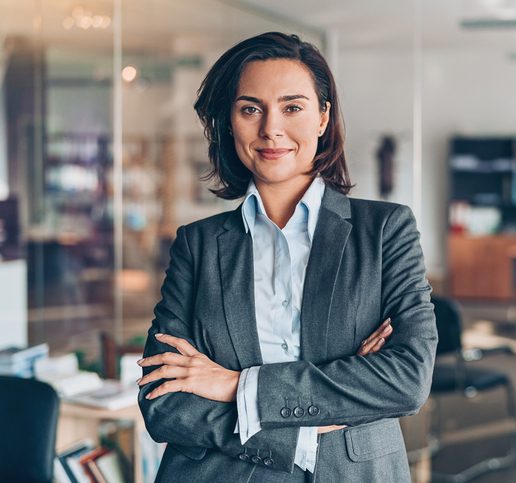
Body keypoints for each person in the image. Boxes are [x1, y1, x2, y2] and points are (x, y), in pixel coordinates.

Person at [137, 32, 437, 483]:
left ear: (322, 117)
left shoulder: (385, 231)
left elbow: (406, 380)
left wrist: (235, 385)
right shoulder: (198, 244)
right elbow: (163, 401)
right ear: (230, 122)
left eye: (292, 107)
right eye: (250, 109)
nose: (271, 129)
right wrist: (305, 430)